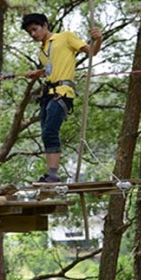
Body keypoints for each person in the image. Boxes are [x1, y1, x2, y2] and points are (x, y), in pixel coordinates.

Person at [21, 13, 103, 183]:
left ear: (45, 25)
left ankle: (53, 174)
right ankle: (50, 174)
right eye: (30, 32)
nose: (33, 34)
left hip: (63, 91)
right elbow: (52, 69)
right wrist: (39, 72)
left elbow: (91, 52)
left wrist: (98, 39)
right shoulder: (42, 51)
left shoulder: (65, 37)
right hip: (49, 93)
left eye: (35, 29)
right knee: (45, 133)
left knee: (50, 130)